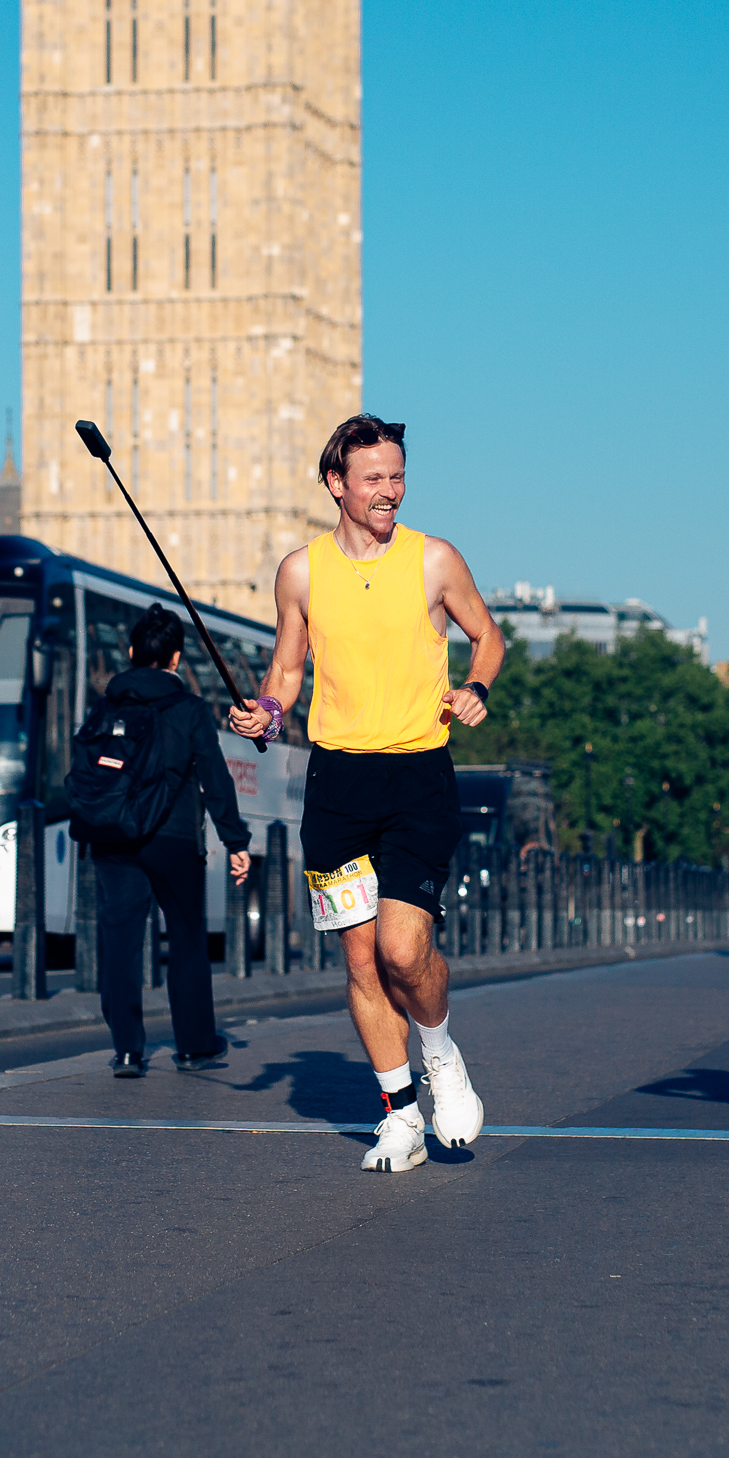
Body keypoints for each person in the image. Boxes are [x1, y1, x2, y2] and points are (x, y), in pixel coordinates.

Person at [232, 414, 505, 1173]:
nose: (390, 491)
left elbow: (488, 636)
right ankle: (400, 1115)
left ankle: (440, 1053)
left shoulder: (433, 559)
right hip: (337, 781)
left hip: (418, 775)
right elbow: (288, 669)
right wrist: (268, 712)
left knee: (402, 949)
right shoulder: (301, 572)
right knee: (361, 962)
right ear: (336, 484)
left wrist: (477, 687)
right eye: (374, 478)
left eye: (397, 476)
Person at [93, 605, 255, 1076]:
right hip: (175, 837)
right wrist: (235, 840)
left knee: (119, 942)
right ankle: (194, 1046)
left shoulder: (106, 706)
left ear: (130, 653)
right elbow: (214, 777)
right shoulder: (189, 710)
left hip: (115, 837)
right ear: (177, 659)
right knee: (186, 939)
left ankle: (127, 1050)